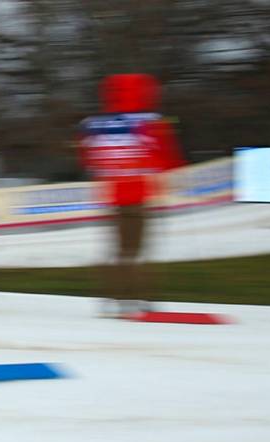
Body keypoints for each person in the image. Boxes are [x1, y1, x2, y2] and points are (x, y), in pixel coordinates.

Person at [79, 74, 184, 318]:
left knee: (117, 251)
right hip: (139, 196)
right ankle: (140, 299)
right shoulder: (151, 122)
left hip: (112, 196)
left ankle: (113, 298)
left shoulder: (94, 125)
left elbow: (88, 160)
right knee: (137, 251)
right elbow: (167, 157)